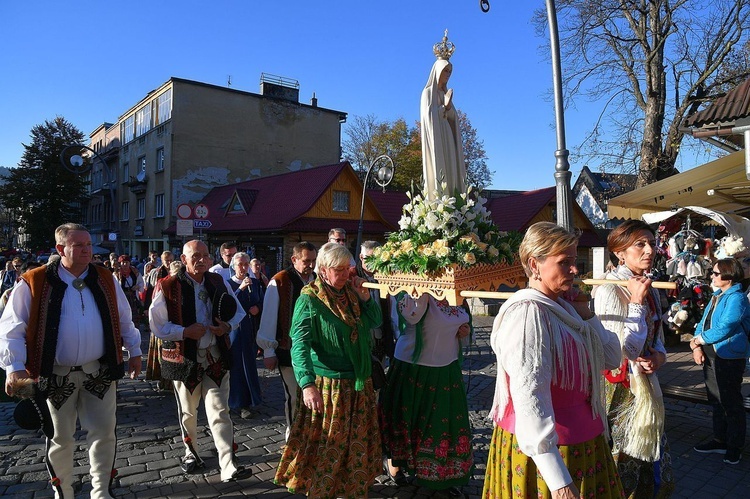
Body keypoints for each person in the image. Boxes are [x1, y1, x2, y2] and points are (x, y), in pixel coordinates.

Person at [0, 223, 142, 499]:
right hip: (54, 375)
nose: (87, 250)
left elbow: (123, 318)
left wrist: (134, 349)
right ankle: (62, 492)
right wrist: (14, 367)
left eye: (88, 244)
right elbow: (11, 328)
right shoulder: (34, 280)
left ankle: (101, 492)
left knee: (104, 434)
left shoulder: (105, 277)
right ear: (60, 248)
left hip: (98, 372)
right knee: (60, 438)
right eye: (79, 245)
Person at [483, 222, 624, 499]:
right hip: (548, 450)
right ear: (534, 265)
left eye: (574, 261)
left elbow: (611, 358)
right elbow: (529, 395)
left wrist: (587, 313)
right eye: (565, 262)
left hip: (585, 440)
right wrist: (558, 481)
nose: (575, 269)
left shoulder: (566, 307)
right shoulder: (528, 315)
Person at [274, 243, 382, 497]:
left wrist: (366, 299)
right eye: (339, 270)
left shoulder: (352, 293)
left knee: (355, 444)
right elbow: (299, 344)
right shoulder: (309, 299)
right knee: (328, 444)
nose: (345, 275)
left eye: (348, 268)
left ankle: (352, 486)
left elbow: (374, 322)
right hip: (330, 386)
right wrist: (307, 384)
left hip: (358, 382)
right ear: (323, 270)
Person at [148, 239, 249, 482]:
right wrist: (184, 332)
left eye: (205, 255)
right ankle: (190, 452)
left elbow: (238, 311)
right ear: (183, 259)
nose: (201, 260)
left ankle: (228, 465)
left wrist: (227, 326)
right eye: (195, 255)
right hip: (184, 359)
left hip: (215, 357)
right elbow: (156, 323)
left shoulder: (217, 281)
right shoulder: (168, 285)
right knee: (188, 412)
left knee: (220, 410)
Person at [593, 219, 673, 497]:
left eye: (652, 243)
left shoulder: (649, 284)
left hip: (646, 384)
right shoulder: (609, 289)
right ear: (619, 253)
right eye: (640, 244)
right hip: (620, 389)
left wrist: (660, 358)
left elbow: (658, 337)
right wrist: (637, 304)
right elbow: (621, 351)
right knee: (623, 454)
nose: (649, 249)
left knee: (647, 453)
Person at [380, 291, 473, 496]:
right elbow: (410, 315)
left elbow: (458, 320)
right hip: (414, 367)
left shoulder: (454, 292)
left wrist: (462, 331)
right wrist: (421, 289)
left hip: (445, 367)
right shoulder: (417, 294)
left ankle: (441, 473)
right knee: (409, 419)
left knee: (443, 422)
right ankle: (394, 461)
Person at [690, 257, 750, 465]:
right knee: (716, 399)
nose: (712, 276)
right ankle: (719, 439)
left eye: (715, 273)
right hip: (712, 355)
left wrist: (700, 339)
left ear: (728, 275)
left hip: (729, 356)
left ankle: (734, 446)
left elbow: (727, 325)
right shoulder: (717, 295)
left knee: (731, 401)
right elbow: (704, 321)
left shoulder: (737, 298)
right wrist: (695, 343)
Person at [256, 241, 317, 440]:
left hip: (315, 351)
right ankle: (293, 438)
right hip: (287, 349)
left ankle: (311, 437)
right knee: (294, 395)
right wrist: (268, 351)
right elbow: (269, 317)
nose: (310, 265)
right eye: (307, 261)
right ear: (294, 259)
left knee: (313, 396)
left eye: (314, 261)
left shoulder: (317, 280)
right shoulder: (280, 281)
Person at [421, 30, 465, 200]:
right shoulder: (428, 93)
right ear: (438, 71)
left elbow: (454, 119)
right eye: (446, 71)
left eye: (450, 72)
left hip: (447, 133)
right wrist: (444, 108)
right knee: (440, 169)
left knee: (451, 168)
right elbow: (428, 118)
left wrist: (449, 109)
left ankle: (454, 199)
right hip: (437, 138)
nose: (448, 75)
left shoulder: (444, 92)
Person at [227, 251, 264, 417]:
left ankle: (252, 399)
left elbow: (261, 300)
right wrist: (241, 289)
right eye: (239, 264)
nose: (242, 267)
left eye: (245, 264)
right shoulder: (228, 284)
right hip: (236, 330)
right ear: (234, 266)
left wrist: (258, 307)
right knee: (237, 365)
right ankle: (238, 402)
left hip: (251, 328)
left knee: (250, 364)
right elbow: (228, 305)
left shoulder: (254, 283)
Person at [144, 251, 175, 386]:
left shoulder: (179, 271)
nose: (168, 263)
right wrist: (146, 308)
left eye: (170, 260)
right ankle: (161, 378)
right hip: (159, 313)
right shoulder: (156, 273)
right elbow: (149, 291)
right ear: (162, 261)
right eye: (166, 260)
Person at [113, 255, 145, 321]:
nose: (125, 264)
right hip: (122, 297)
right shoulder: (116, 274)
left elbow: (141, 283)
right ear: (120, 263)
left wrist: (137, 286)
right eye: (123, 262)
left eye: (127, 262)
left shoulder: (135, 272)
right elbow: (114, 286)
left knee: (134, 316)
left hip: (133, 297)